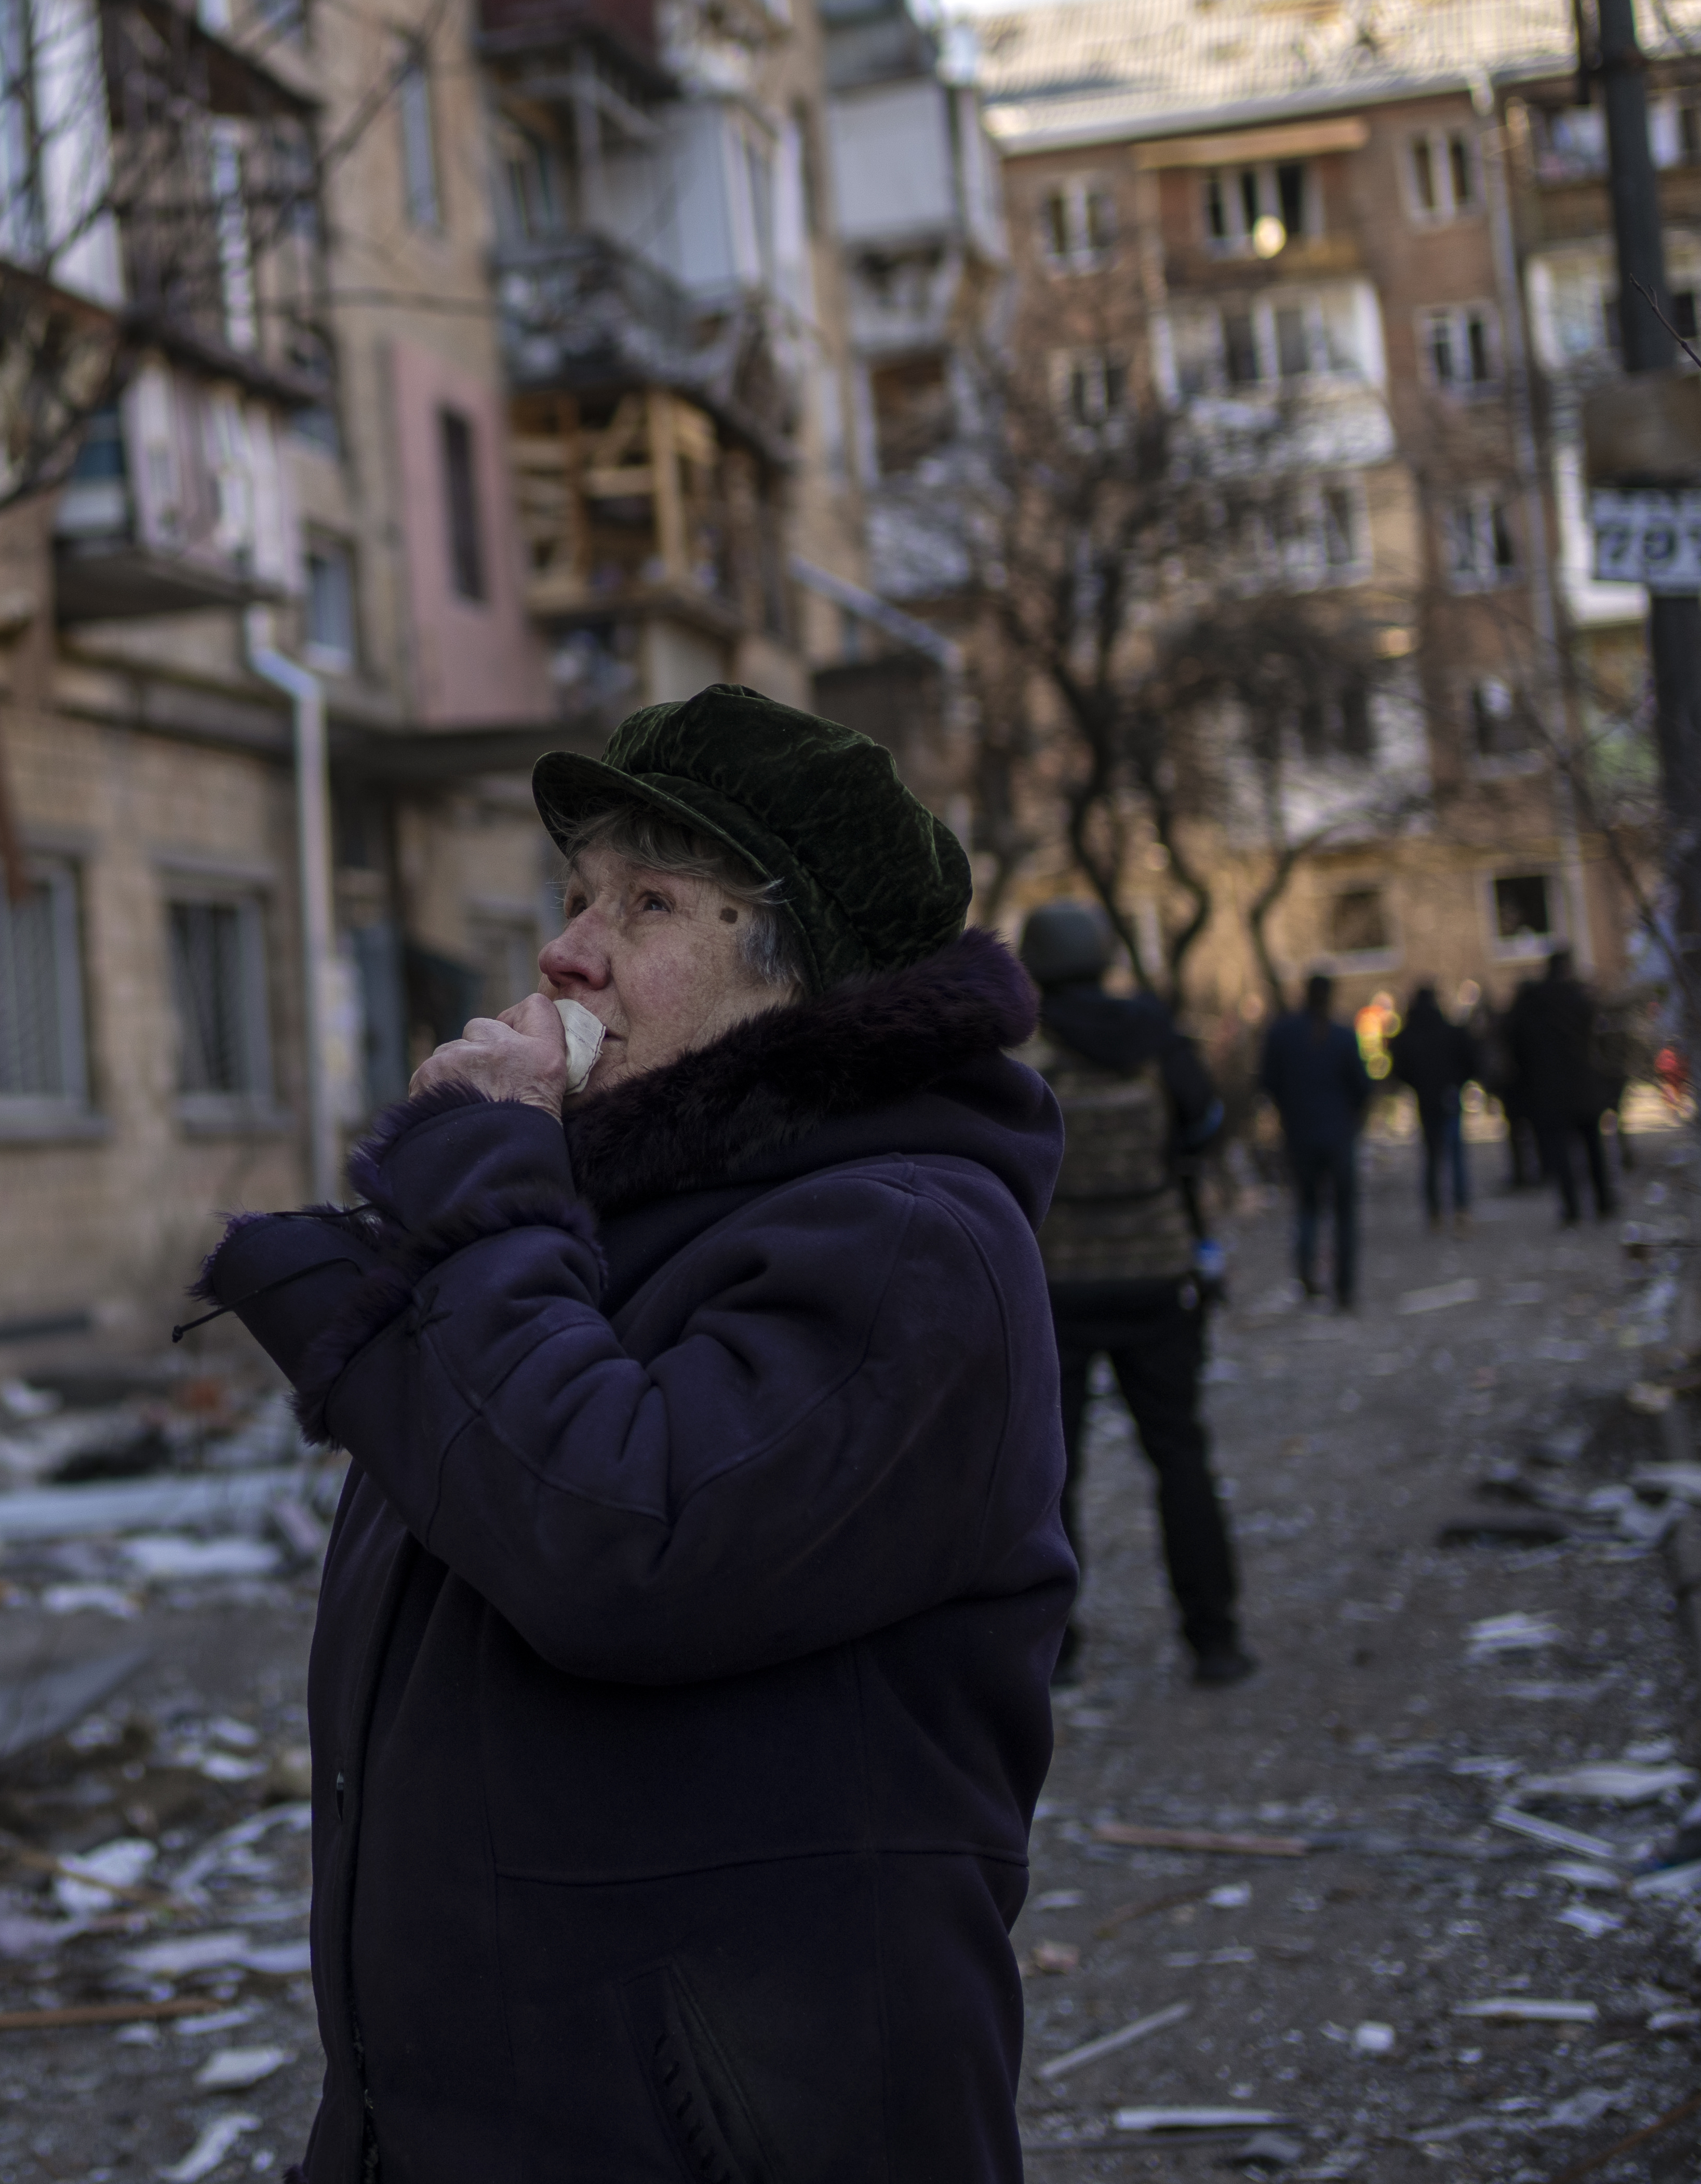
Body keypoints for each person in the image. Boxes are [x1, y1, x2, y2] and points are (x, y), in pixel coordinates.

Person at [198, 686, 1066, 2183]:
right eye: (576, 894)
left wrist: (482, 1191)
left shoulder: (907, 1246)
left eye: (652, 902)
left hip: (736, 2133)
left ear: (806, 981)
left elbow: (618, 1540)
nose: (568, 948)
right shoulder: (605, 1226)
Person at [1015, 900, 1251, 1692]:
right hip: (1158, 1274)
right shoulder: (1158, 1041)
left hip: (1057, 1284)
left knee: (1052, 1473)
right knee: (1180, 1456)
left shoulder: (1022, 1050)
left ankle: (1060, 1648)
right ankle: (1214, 1640)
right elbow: (1205, 1130)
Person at [1253, 969, 1382, 1309]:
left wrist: (1287, 1112)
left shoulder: (1282, 1034)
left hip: (1300, 1135)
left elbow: (1267, 1082)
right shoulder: (1340, 1035)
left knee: (1307, 1208)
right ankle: (1345, 1286)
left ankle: (1308, 1277)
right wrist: (1352, 1119)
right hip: (1337, 1135)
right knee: (1343, 1214)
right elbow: (1363, 1086)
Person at [1504, 947, 1614, 1223]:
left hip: (1549, 1091)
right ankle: (1603, 1202)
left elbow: (1516, 1045)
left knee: (1561, 1153)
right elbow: (1597, 1037)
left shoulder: (1532, 1005)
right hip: (1582, 1086)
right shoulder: (1578, 1001)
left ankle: (1571, 1209)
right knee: (1593, 1149)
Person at [1389, 981, 1481, 1233]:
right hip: (1449, 1097)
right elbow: (1470, 1061)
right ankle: (1461, 1210)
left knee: (1432, 1157)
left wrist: (1419, 1085)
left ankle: (1435, 1212)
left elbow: (1399, 1069)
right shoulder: (1450, 1031)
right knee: (1456, 1155)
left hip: (1426, 1101)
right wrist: (1458, 1082)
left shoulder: (1409, 1036)